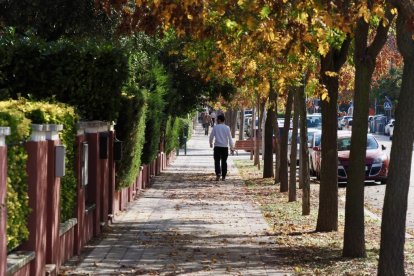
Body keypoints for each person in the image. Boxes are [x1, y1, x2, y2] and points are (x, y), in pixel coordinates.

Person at [209, 114, 234, 181]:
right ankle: (223, 176)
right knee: (224, 161)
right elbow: (230, 138)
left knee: (217, 161)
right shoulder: (227, 128)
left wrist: (210, 143)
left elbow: (211, 136)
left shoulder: (215, 127)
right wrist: (231, 147)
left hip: (217, 146)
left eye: (217, 120)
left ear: (219, 120)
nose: (216, 121)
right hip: (224, 147)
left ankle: (218, 173)